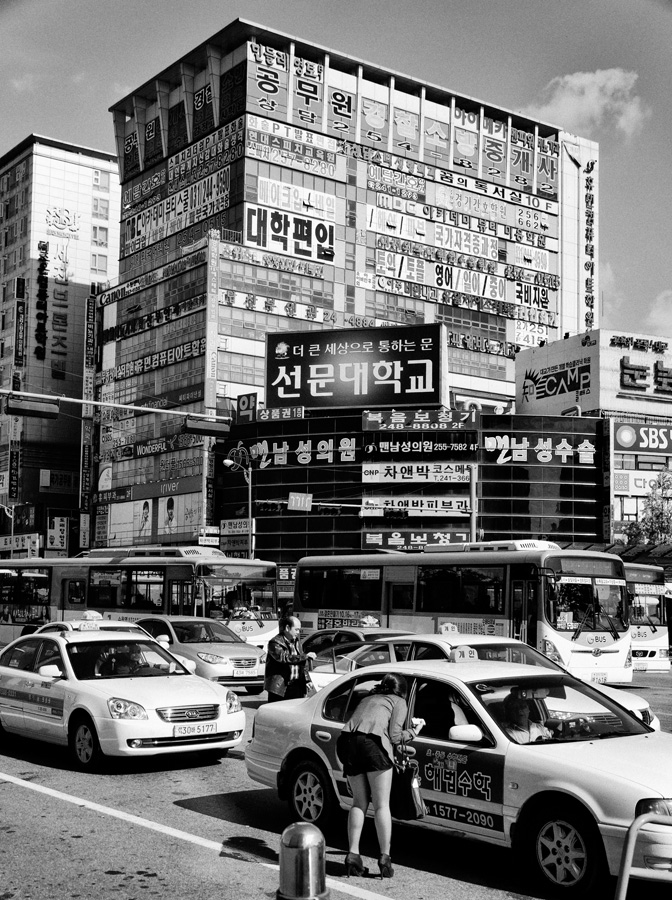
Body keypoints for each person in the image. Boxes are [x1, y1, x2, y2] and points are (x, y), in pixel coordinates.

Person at [336, 673, 425, 879]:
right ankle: (385, 858)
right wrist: (414, 731)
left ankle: (353, 855)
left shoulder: (367, 698)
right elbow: (394, 736)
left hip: (348, 743)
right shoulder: (399, 701)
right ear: (402, 690)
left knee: (358, 802)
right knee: (381, 805)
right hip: (373, 746)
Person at [264, 616, 316, 702]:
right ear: (287, 628)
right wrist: (305, 656)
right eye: (296, 630)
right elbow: (284, 658)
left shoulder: (297, 642)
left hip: (296, 686)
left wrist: (307, 680)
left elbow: (302, 664)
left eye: (299, 630)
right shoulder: (275, 642)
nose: (298, 632)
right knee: (279, 713)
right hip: (280, 688)